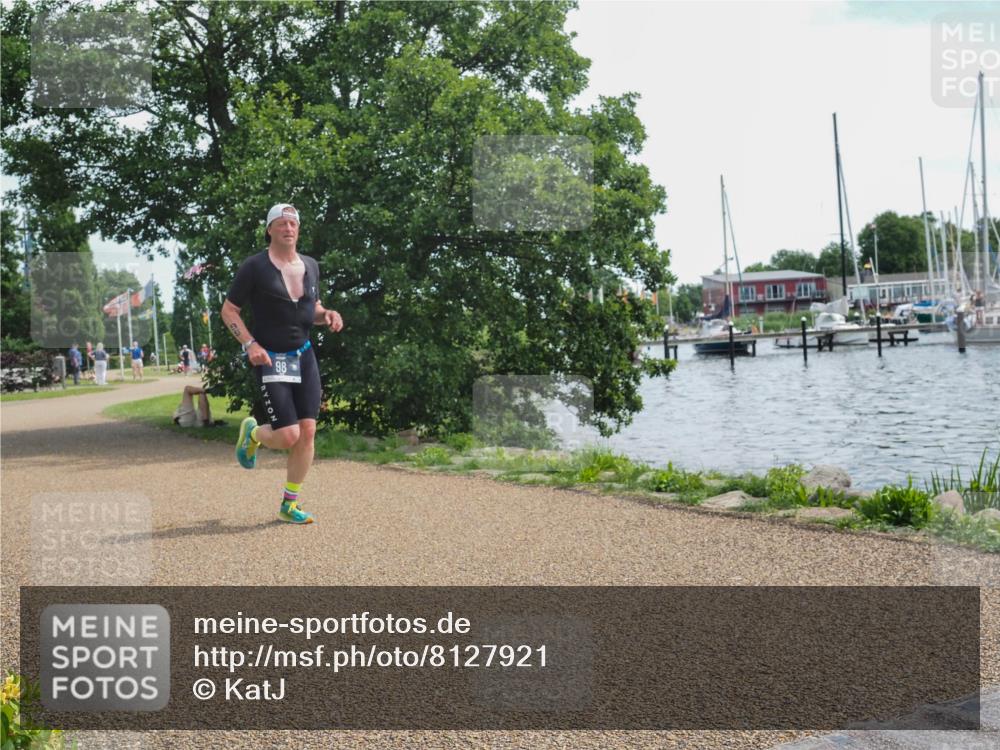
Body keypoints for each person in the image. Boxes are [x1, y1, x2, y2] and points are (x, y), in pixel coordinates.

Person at [221, 203, 343, 524]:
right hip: (271, 358)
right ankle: (254, 434)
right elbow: (229, 311)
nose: (288, 228)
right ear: (270, 229)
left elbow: (311, 308)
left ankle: (289, 504)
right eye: (281, 223)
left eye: (293, 224)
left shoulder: (311, 266)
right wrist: (250, 344)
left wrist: (326, 315)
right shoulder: (255, 267)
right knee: (287, 435)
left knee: (308, 432)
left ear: (298, 229)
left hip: (303, 356)